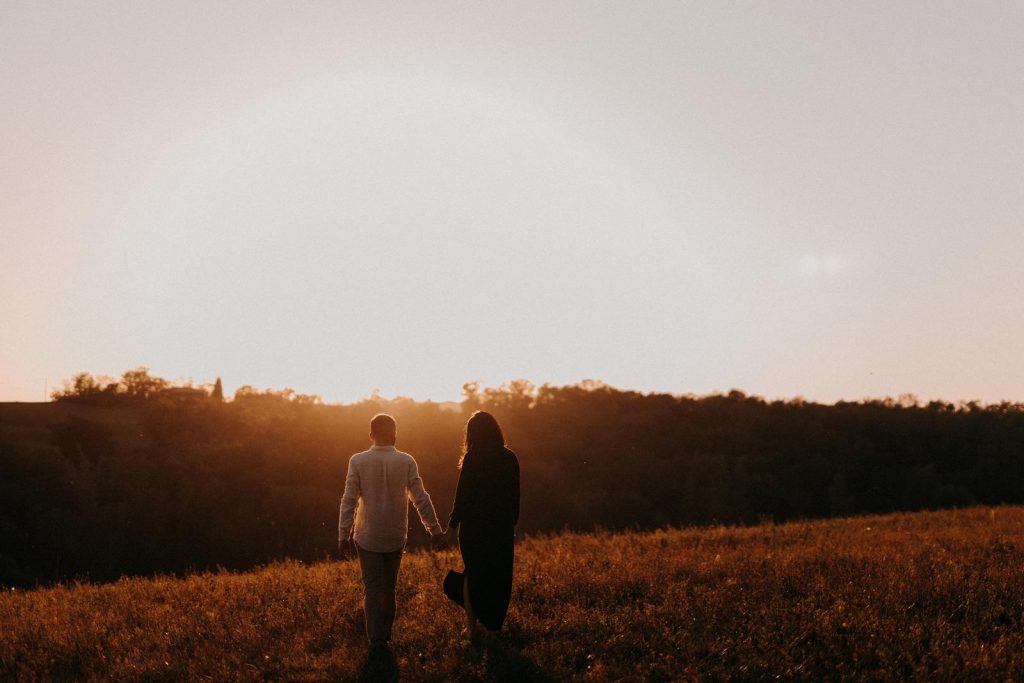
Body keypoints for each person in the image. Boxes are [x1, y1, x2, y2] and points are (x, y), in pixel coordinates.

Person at [338, 413, 445, 649]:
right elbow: (420, 498)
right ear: (395, 434)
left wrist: (342, 535)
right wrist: (434, 529)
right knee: (389, 588)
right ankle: (385, 635)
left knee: (372, 588)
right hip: (396, 536)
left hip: (366, 535)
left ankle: (376, 639)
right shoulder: (406, 461)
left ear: (370, 435)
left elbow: (349, 500)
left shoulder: (357, 461)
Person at [444, 411, 520, 639]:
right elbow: (515, 495)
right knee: (498, 575)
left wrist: (452, 524)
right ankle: (493, 625)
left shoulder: (473, 457)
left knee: (473, 574)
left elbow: (463, 494)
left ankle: (472, 626)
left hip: (474, 527)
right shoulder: (509, 457)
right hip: (501, 527)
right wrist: (511, 522)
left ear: (472, 434)